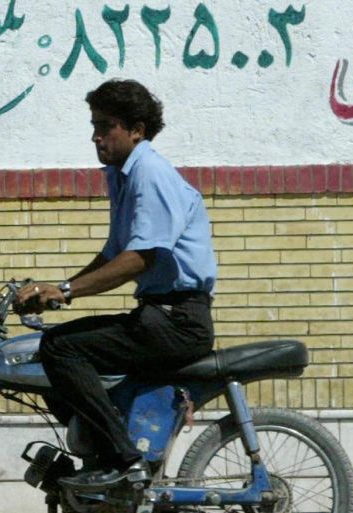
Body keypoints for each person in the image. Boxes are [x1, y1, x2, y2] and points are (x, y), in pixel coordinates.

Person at [15, 78, 217, 490]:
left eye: (106, 126)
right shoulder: (121, 175)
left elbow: (139, 259)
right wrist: (55, 290)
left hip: (177, 320)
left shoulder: (150, 173)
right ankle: (97, 454)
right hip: (158, 314)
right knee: (53, 349)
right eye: (94, 126)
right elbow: (113, 253)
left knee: (62, 348)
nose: (96, 136)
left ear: (136, 130)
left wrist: (67, 293)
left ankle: (123, 462)